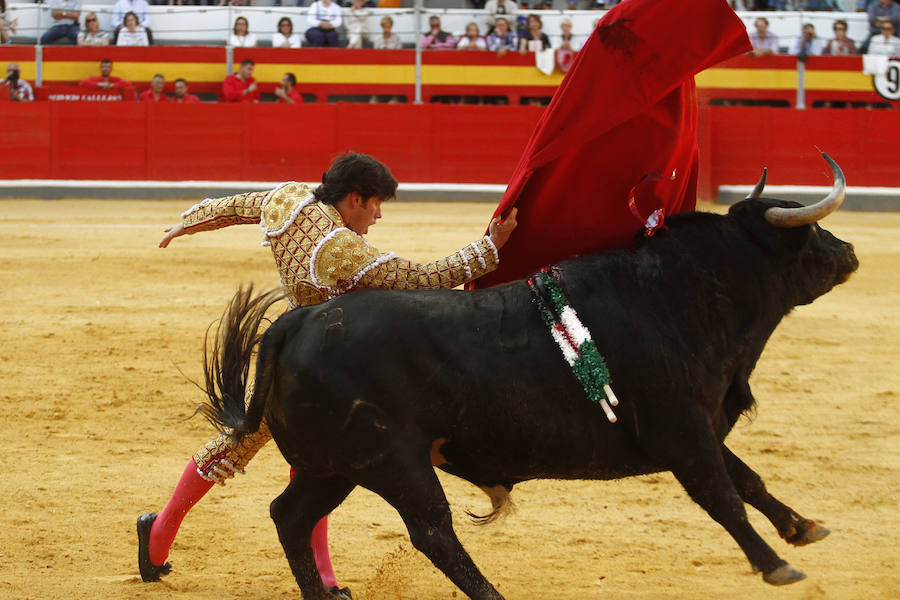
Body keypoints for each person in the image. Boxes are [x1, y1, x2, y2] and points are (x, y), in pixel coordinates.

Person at [137, 152, 519, 599]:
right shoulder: (340, 250)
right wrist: (488, 249)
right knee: (302, 456)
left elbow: (237, 205)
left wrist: (190, 222)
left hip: (293, 352)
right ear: (354, 199)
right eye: (376, 205)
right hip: (321, 366)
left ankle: (160, 537)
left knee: (258, 448)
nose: (377, 217)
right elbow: (422, 278)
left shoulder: (290, 197)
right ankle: (165, 535)